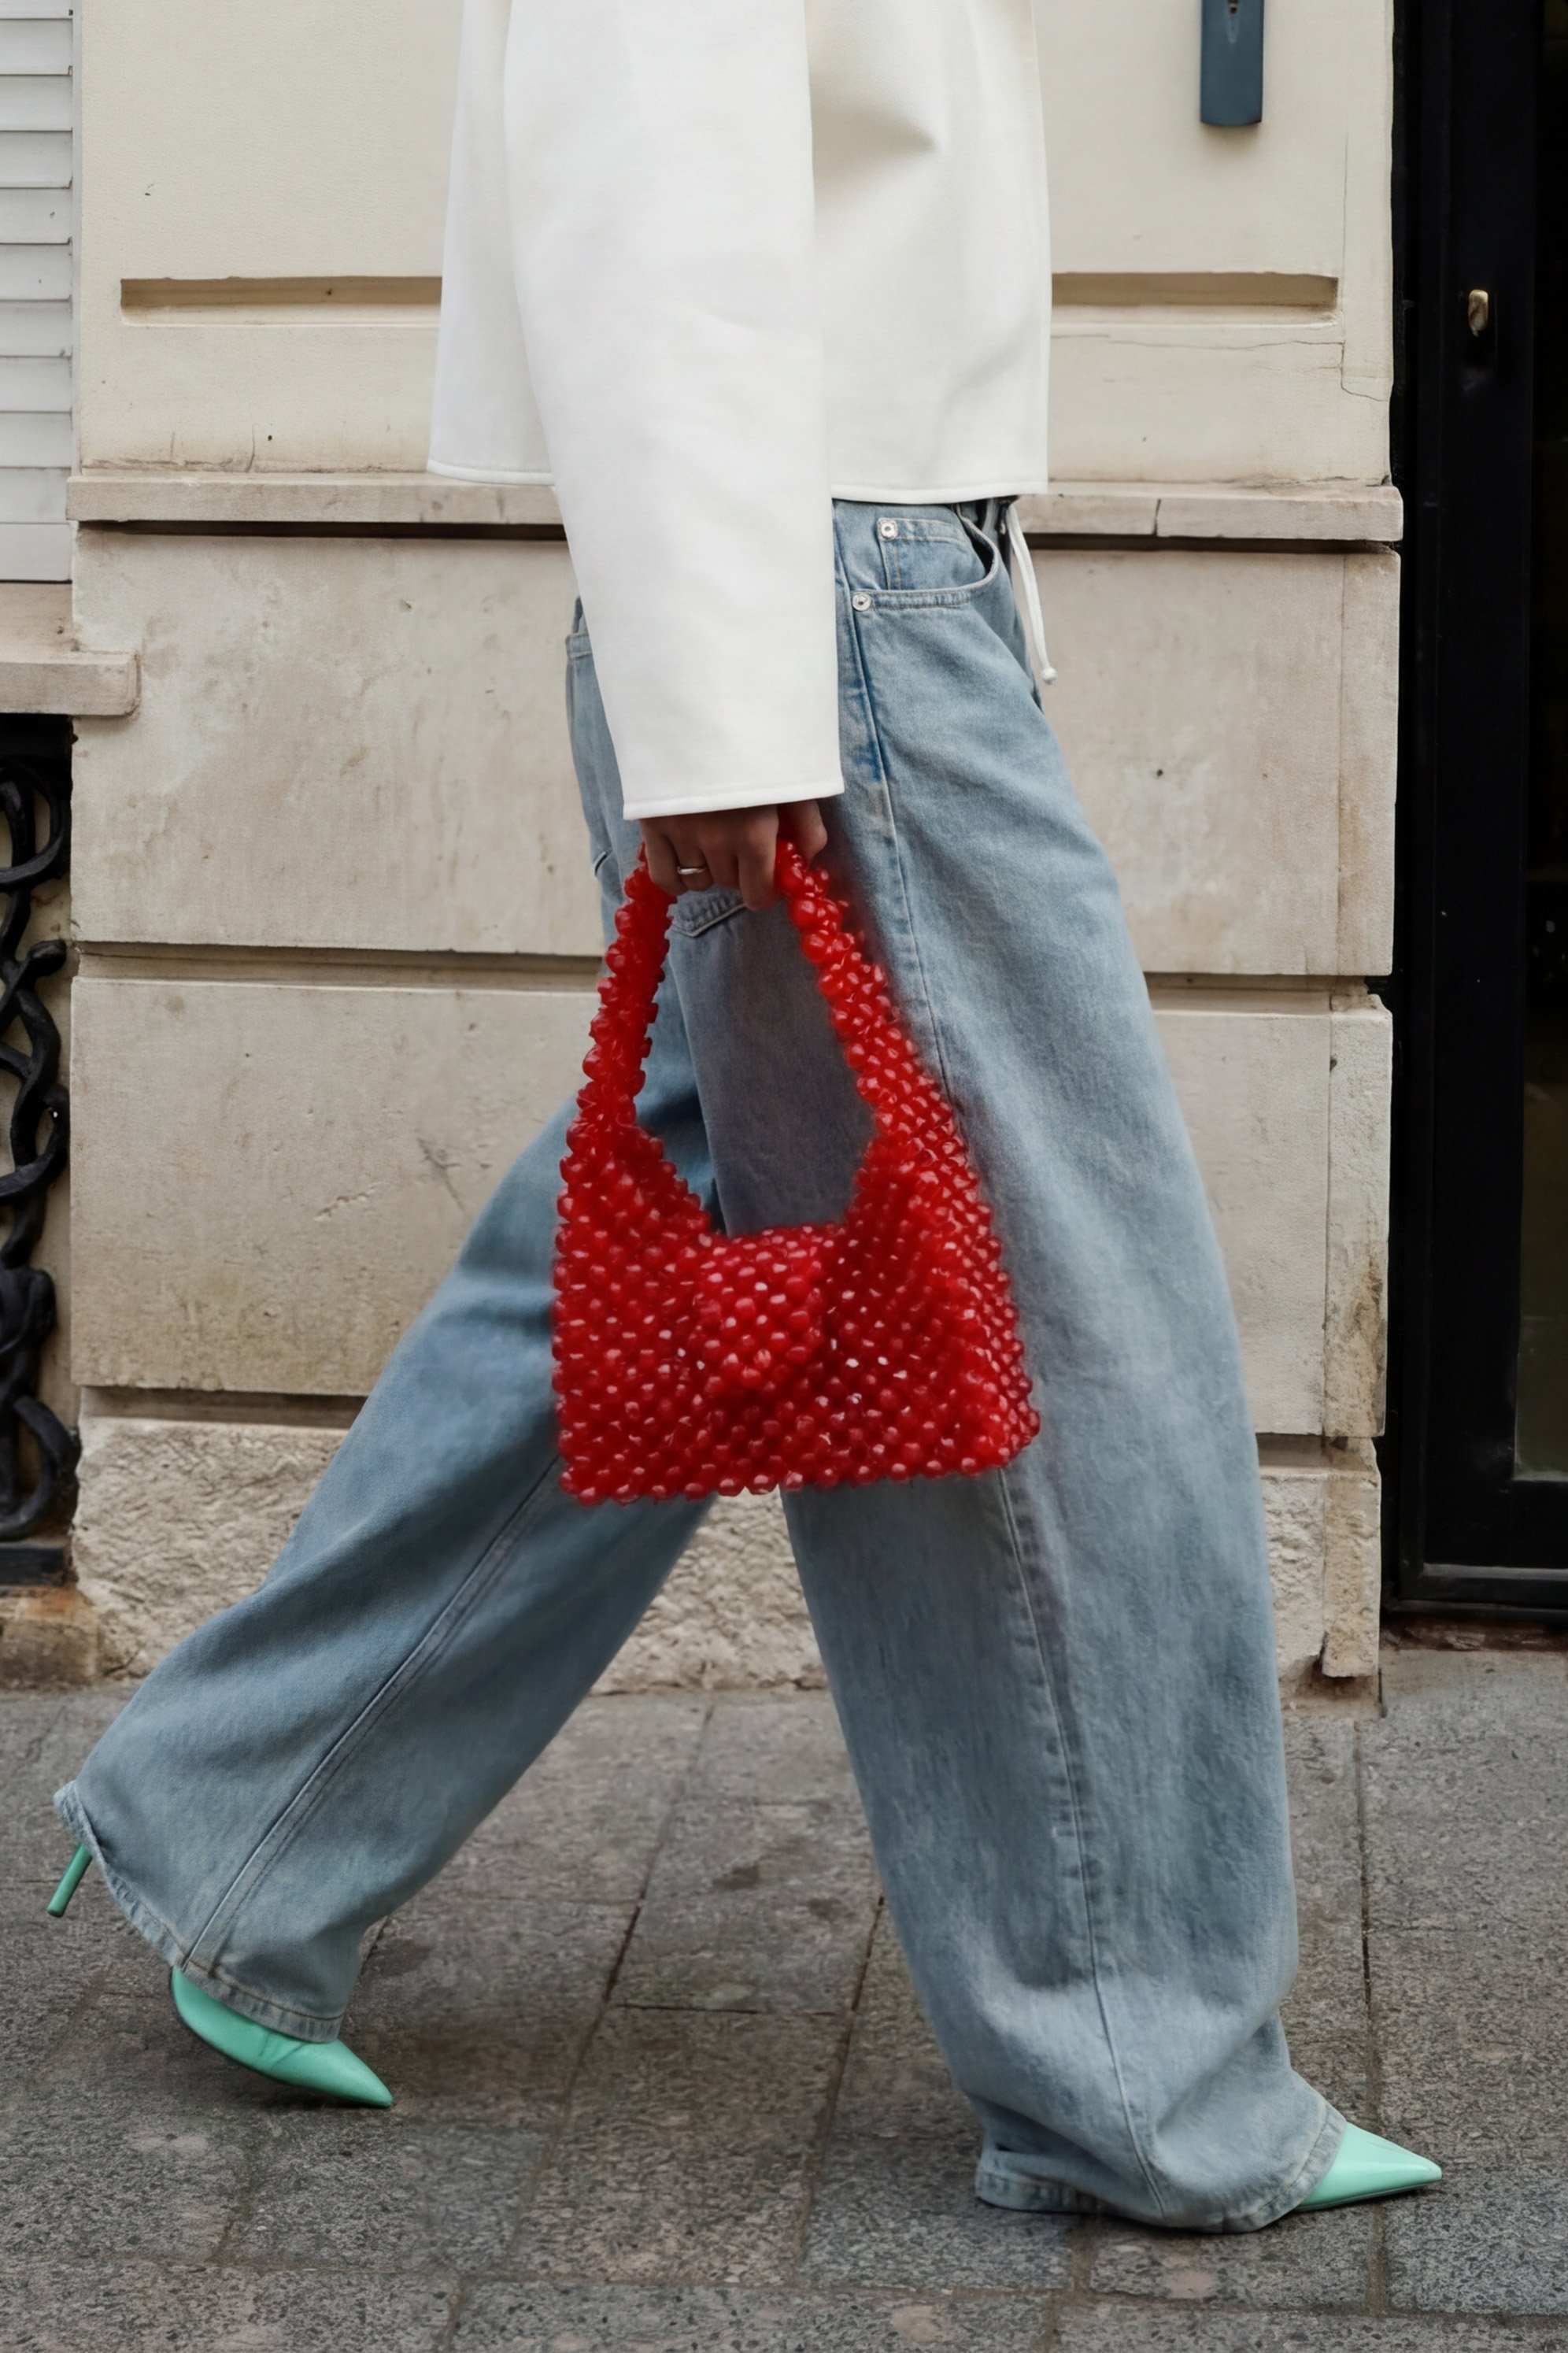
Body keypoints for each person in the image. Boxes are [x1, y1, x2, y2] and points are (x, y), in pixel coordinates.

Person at [46, 0, 1439, 2226]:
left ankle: (241, 1819)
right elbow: (652, 134)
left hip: (843, 584)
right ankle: (1136, 2069)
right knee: (1058, 1316)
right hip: (826, 596)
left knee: (690, 1254)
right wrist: (725, 695)